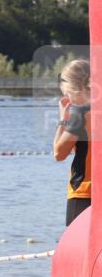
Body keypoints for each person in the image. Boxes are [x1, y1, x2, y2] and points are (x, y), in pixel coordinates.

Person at [54, 58, 92, 226]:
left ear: (73, 88)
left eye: (66, 93)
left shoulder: (80, 115)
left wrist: (63, 120)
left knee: (82, 243)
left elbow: (59, 153)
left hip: (84, 192)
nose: (66, 97)